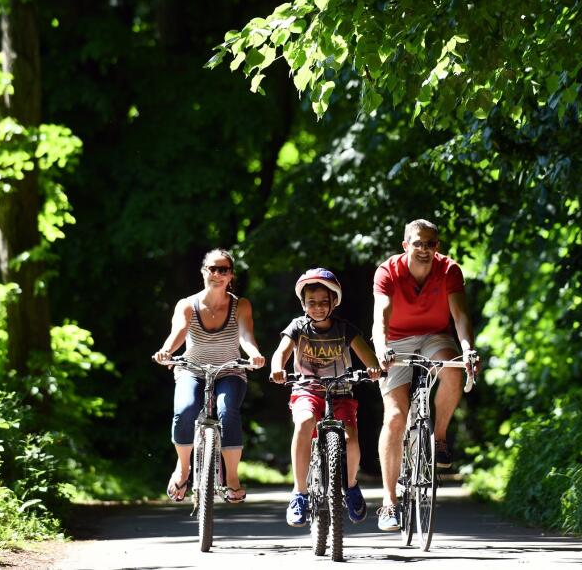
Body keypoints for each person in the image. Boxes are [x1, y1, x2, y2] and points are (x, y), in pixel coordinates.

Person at [371, 219, 479, 531]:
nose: (424, 249)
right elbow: (381, 314)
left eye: (430, 244)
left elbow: (459, 315)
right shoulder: (387, 271)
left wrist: (468, 349)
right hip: (395, 340)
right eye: (418, 243)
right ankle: (389, 503)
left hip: (434, 336)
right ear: (406, 245)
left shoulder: (449, 270)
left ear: (437, 247)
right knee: (394, 415)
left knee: (452, 370)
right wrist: (380, 347)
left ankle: (440, 438)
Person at [270, 268, 382, 528]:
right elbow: (281, 352)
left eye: (323, 302)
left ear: (334, 302)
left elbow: (368, 357)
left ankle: (351, 486)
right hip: (306, 391)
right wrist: (278, 368)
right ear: (303, 304)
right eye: (312, 303)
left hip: (341, 392)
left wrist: (374, 368)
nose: (318, 308)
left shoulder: (345, 329)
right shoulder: (298, 327)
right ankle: (299, 493)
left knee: (351, 435)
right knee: (304, 421)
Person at [153, 248, 266, 503]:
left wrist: (254, 354)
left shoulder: (241, 305)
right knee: (186, 409)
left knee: (228, 411)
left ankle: (232, 477)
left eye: (223, 269)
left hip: (230, 370)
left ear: (230, 276)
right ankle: (183, 467)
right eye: (211, 268)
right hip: (192, 369)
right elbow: (179, 332)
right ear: (204, 271)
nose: (216, 274)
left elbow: (245, 336)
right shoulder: (187, 304)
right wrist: (166, 351)